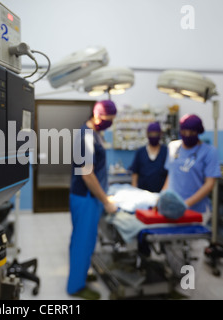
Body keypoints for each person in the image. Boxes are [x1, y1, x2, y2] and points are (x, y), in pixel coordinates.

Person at [67, 100, 118, 300]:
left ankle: (79, 275)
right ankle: (75, 287)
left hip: (89, 197)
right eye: (108, 120)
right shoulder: (86, 137)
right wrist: (106, 200)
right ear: (97, 116)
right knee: (83, 242)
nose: (109, 124)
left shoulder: (93, 134)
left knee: (84, 240)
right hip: (86, 197)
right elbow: (87, 175)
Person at [161, 114, 221, 223]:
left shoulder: (209, 152)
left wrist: (186, 204)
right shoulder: (173, 147)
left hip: (196, 209)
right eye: (184, 132)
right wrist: (162, 198)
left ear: (199, 132)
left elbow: (210, 184)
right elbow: (171, 175)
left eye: (192, 132)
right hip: (171, 209)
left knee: (194, 238)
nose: (187, 135)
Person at [129, 121, 168, 193]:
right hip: (142, 194)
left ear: (160, 134)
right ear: (147, 134)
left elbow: (169, 174)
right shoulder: (141, 152)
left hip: (160, 194)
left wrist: (164, 193)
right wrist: (133, 191)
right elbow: (135, 173)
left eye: (156, 134)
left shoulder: (166, 151)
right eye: (151, 134)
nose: (153, 136)